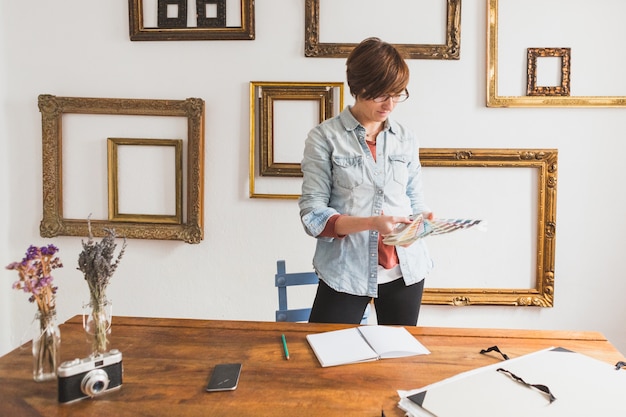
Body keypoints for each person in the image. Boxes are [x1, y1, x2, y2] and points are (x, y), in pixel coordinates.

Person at [298, 37, 433, 326]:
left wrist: (423, 222)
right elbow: (313, 216)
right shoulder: (324, 138)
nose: (390, 105)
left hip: (405, 271)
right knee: (325, 355)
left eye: (397, 94)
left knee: (397, 363)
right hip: (346, 271)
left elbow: (414, 200)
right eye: (382, 95)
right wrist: (371, 223)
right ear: (359, 87)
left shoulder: (406, 139)